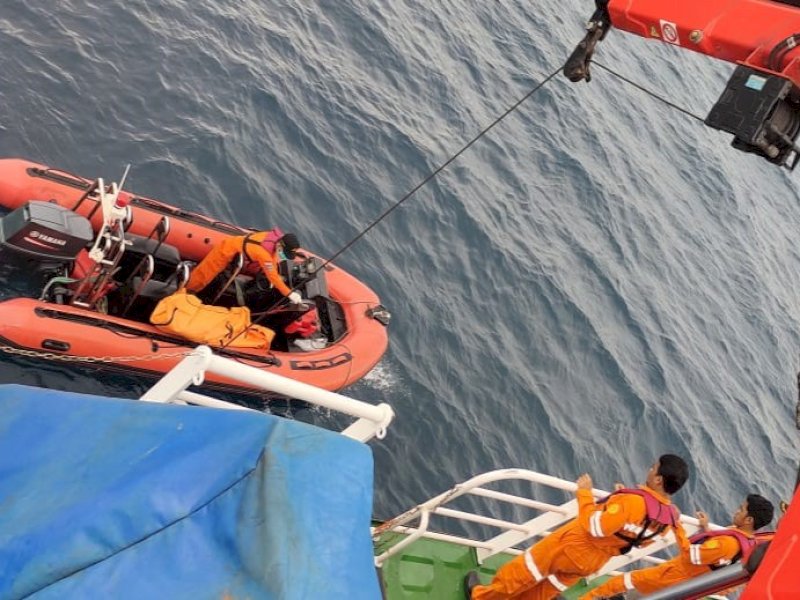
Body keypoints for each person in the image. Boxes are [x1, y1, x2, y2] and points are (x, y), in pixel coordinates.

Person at [464, 455, 690, 600]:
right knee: (547, 589)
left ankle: (481, 597)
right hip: (594, 562)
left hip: (573, 547)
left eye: (654, 468)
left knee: (523, 571)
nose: (650, 470)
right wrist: (618, 503)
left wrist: (584, 493)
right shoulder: (667, 520)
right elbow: (634, 534)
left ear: (659, 480)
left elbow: (595, 527)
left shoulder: (632, 503)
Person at [578, 494, 774, 599]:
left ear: (748, 520)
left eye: (741, 509)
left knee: (620, 582)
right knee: (635, 593)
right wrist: (705, 527)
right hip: (685, 582)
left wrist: (676, 524)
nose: (736, 511)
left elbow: (690, 553)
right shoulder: (747, 543)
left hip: (673, 577)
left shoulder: (728, 543)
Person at [186, 228, 303, 304]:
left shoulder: (274, 239)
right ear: (280, 245)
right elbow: (273, 276)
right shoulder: (262, 254)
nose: (284, 255)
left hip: (238, 250)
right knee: (202, 277)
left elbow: (272, 259)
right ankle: (185, 292)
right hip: (225, 251)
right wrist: (289, 293)